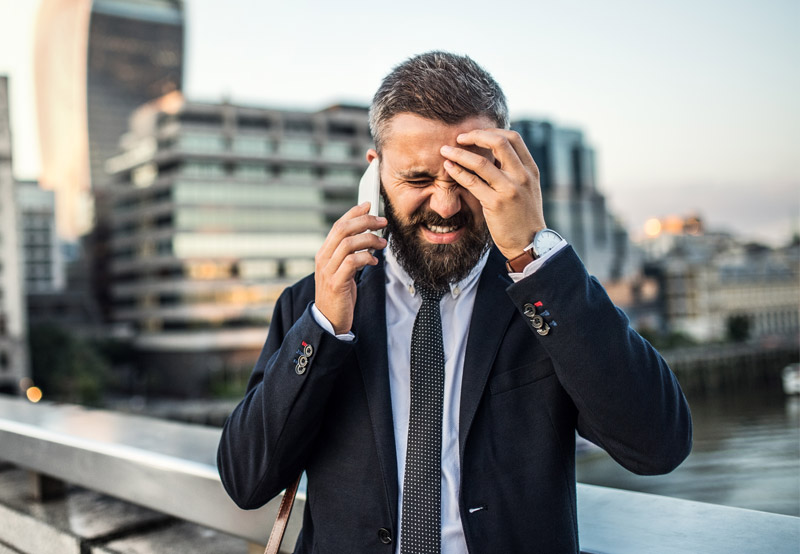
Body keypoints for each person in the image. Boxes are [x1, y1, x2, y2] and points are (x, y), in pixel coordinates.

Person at [217, 51, 692, 553]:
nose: (444, 206)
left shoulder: (545, 296)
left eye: (468, 179)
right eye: (418, 180)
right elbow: (246, 480)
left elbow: (658, 445)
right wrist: (324, 327)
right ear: (375, 176)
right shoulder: (313, 304)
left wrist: (536, 256)